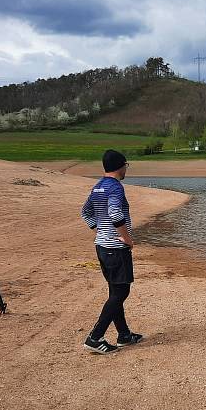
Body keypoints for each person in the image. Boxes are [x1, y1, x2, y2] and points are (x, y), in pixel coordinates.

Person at [80, 149, 143, 354]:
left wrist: (99, 230)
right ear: (120, 166)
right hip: (115, 249)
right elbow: (115, 213)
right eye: (126, 165)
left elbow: (85, 212)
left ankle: (124, 335)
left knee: (115, 291)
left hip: (102, 246)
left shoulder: (98, 187)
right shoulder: (115, 188)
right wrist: (126, 238)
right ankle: (95, 337)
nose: (126, 169)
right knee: (121, 291)